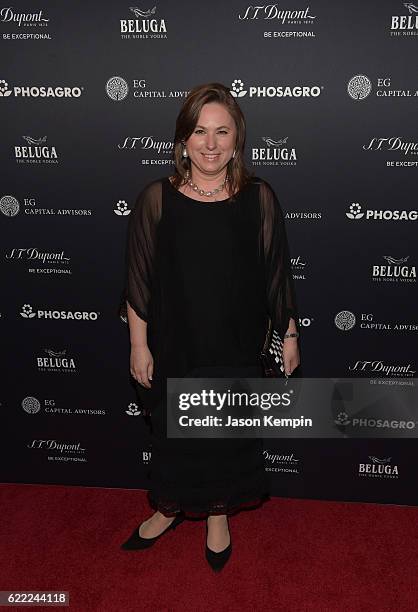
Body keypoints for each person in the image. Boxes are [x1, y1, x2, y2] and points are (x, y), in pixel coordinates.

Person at [119, 82, 300, 571]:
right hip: (176, 342)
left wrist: (289, 333)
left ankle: (218, 513)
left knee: (226, 432)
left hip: (236, 342)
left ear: (238, 139)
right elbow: (138, 283)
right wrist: (139, 345)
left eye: (223, 131)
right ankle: (168, 507)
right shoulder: (156, 199)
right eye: (201, 131)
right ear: (183, 138)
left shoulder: (260, 198)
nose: (212, 143)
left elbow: (277, 271)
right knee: (174, 433)